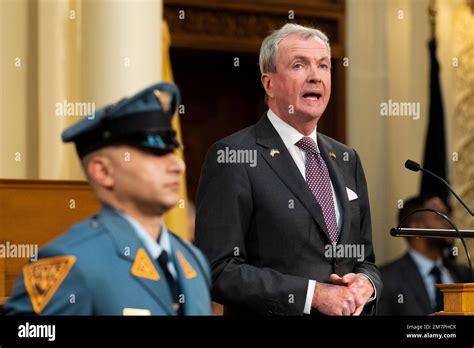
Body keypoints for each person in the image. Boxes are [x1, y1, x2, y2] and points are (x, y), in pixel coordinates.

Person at [195, 23, 381, 316]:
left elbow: (365, 260)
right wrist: (312, 295)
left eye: (323, 65)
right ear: (269, 83)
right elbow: (217, 270)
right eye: (299, 65)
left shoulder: (347, 159)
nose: (315, 76)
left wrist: (366, 284)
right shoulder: (234, 156)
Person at [6, 83, 212, 315]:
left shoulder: (192, 261)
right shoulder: (70, 264)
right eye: (156, 152)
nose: (178, 165)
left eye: (173, 150)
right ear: (103, 172)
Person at [379, 195, 471, 315]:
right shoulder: (387, 280)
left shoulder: (464, 274)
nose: (450, 223)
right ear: (416, 227)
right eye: (440, 217)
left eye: (448, 216)